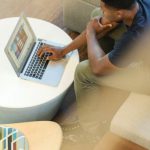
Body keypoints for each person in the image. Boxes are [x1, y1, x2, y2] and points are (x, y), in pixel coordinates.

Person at [37, 0, 150, 99]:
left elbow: (97, 68)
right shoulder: (135, 5)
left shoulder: (135, 38)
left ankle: (90, 124)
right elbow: (99, 24)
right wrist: (62, 51)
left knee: (83, 71)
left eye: (104, 10)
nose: (102, 11)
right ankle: (107, 63)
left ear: (119, 13)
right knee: (98, 16)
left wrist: (90, 33)